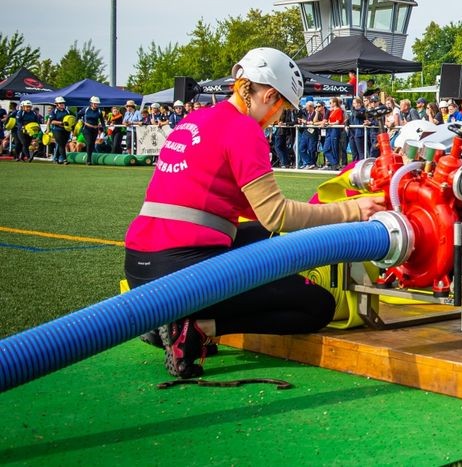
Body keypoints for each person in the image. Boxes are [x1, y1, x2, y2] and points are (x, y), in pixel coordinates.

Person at [124, 47, 387, 379]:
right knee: (316, 306)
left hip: (140, 267)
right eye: (283, 110)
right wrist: (352, 209)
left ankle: (161, 318)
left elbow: (263, 217)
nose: (278, 119)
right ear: (270, 96)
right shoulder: (244, 129)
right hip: (180, 271)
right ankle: (197, 327)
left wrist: (324, 209)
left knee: (270, 239)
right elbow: (276, 215)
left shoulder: (197, 118)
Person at [80, 96, 105, 165]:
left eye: (97, 104)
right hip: (86, 129)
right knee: (89, 143)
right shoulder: (86, 109)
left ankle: (89, 157)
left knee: (92, 144)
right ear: (91, 103)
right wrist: (78, 122)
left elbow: (102, 120)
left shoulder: (99, 111)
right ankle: (88, 160)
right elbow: (78, 115)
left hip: (95, 129)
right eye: (95, 103)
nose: (96, 105)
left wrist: (104, 128)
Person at [48, 97, 71, 164]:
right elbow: (52, 121)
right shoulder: (54, 111)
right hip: (57, 130)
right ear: (57, 104)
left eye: (63, 103)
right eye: (60, 103)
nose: (62, 104)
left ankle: (56, 159)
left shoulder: (67, 111)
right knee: (61, 144)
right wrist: (61, 123)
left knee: (63, 144)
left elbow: (72, 118)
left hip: (65, 130)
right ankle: (64, 159)